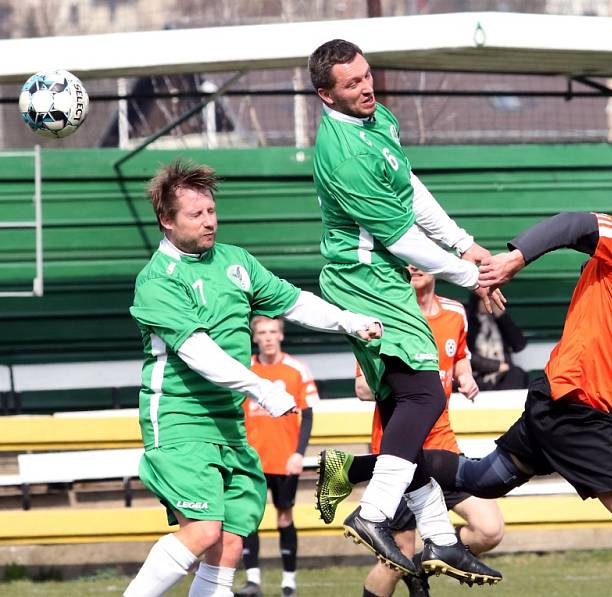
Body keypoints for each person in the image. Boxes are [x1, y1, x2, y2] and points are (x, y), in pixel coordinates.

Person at [319, 207, 612, 597]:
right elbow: (573, 224)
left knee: (483, 480)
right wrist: (517, 257)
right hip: (579, 409)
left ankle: (350, 469)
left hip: (559, 406)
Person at [124, 159, 382, 597]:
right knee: (204, 532)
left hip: (230, 422)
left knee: (229, 544)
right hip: (180, 420)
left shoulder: (234, 261)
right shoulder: (156, 280)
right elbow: (197, 351)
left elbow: (293, 302)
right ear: (166, 221)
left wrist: (349, 321)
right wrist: (261, 386)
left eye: (211, 211)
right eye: (196, 215)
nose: (209, 222)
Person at [309, 38, 502, 585]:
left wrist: (465, 245)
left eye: (367, 76)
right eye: (352, 84)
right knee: (424, 393)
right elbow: (401, 237)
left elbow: (411, 192)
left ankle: (439, 534)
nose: (367, 87)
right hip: (365, 282)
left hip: (381, 279)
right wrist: (472, 276)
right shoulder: (343, 155)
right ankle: (371, 513)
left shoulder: (376, 119)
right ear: (326, 94)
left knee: (405, 410)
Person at [342, 265, 504, 596]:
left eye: (417, 259)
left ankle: (421, 564)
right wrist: (409, 387)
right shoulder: (383, 318)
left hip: (443, 448)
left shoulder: (456, 312)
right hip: (402, 455)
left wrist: (465, 375)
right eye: (404, 261)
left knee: (490, 529)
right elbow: (361, 386)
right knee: (394, 560)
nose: (412, 266)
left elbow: (459, 356)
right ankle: (410, 566)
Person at [234, 317, 320, 597]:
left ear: (281, 336)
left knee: (284, 517)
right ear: (254, 337)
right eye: (262, 332)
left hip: (285, 459)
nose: (268, 337)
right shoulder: (243, 369)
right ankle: (253, 581)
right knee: (248, 518)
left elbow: (307, 415)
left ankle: (289, 582)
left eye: (273, 331)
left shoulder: (296, 369)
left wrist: (298, 454)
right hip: (252, 460)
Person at [465, 294, 529, 391]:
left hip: (504, 373)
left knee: (517, 374)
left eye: (493, 300)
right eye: (485, 300)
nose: (489, 303)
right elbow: (467, 354)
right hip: (479, 373)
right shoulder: (468, 324)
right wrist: (496, 366)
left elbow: (519, 345)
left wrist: (501, 316)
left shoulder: (500, 322)